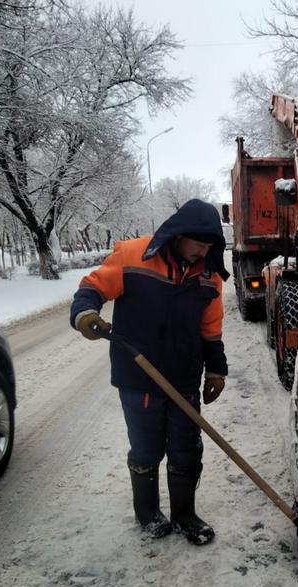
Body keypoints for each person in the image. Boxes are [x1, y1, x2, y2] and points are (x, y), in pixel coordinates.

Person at [70, 198, 229, 545]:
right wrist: (85, 314)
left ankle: (185, 514)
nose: (203, 251)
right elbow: (93, 287)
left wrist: (216, 370)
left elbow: (211, 327)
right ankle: (147, 512)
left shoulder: (208, 275)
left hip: (185, 374)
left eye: (209, 246)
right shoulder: (133, 255)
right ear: (178, 234)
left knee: (187, 448)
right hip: (138, 374)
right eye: (198, 243)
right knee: (146, 447)